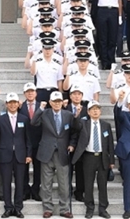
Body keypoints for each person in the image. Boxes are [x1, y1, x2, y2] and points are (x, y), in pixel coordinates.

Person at [31, 91, 80, 219]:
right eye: (55, 101)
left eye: (59, 101)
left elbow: (75, 131)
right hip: (46, 152)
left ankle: (64, 209)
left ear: (62, 102)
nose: (57, 103)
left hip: (63, 152)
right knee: (46, 183)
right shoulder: (45, 113)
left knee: (64, 183)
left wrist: (72, 144)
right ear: (51, 102)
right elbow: (33, 122)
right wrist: (40, 108)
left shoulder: (68, 115)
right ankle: (47, 208)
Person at [0, 92, 32, 219]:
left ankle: (18, 208)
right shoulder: (0, 118)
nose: (13, 105)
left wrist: (29, 154)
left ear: (18, 104)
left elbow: (28, 139)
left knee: (20, 183)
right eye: (10, 102)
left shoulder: (24, 119)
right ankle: (8, 207)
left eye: (15, 102)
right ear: (6, 104)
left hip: (20, 155)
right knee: (6, 182)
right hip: (5, 155)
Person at [71, 100, 114, 219]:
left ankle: (103, 208)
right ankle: (89, 208)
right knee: (88, 184)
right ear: (88, 112)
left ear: (100, 111)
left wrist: (111, 161)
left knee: (102, 185)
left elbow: (110, 143)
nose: (95, 111)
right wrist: (77, 115)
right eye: (92, 109)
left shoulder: (106, 125)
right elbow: (75, 126)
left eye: (97, 109)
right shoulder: (84, 124)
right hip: (88, 157)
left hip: (102, 158)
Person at [19, 82, 42, 201]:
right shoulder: (19, 107)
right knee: (24, 169)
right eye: (28, 91)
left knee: (38, 169)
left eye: (32, 91)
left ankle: (36, 190)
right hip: (24, 142)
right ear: (24, 94)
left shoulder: (42, 106)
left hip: (38, 143)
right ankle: (25, 190)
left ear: (36, 93)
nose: (30, 93)